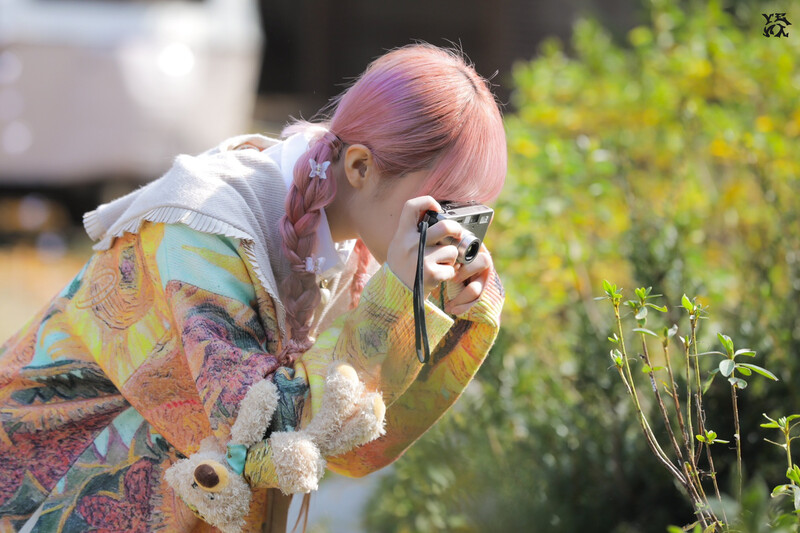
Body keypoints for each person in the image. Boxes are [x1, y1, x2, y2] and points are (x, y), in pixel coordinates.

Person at [0, 43, 507, 532]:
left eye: (470, 214)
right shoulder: (201, 225)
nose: (452, 232)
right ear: (358, 167)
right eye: (441, 208)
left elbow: (356, 445)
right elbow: (259, 431)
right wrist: (390, 305)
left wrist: (443, 308)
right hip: (44, 486)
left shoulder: (357, 249)